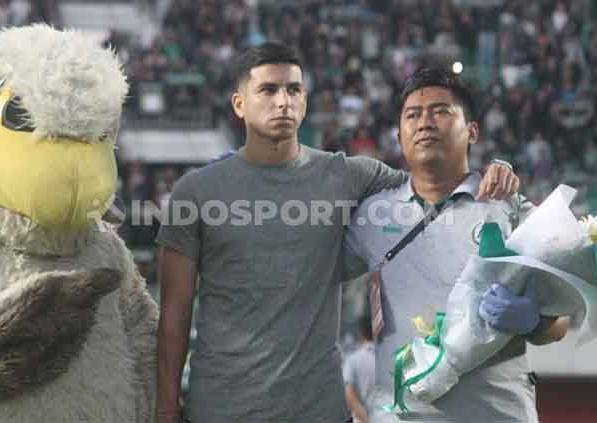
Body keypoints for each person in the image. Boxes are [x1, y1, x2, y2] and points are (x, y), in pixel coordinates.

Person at [156, 43, 519, 423]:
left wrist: (496, 168)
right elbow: (173, 315)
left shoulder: (350, 176)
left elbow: (437, 184)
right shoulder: (196, 193)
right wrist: (165, 408)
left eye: (294, 90)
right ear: (239, 104)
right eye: (268, 90)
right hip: (219, 410)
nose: (283, 101)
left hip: (319, 411)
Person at [344, 67, 569, 423]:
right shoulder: (371, 215)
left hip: (497, 413)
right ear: (399, 135)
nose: (425, 122)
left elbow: (560, 323)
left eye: (441, 111)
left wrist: (532, 320)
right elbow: (309, 269)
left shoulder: (510, 209)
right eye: (412, 115)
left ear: (472, 131)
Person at [343, 317, 376, 423]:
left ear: (361, 335)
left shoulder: (352, 360)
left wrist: (367, 420)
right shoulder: (392, 356)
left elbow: (350, 396)